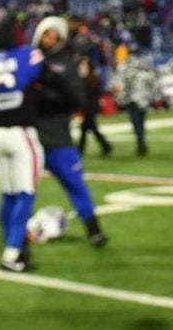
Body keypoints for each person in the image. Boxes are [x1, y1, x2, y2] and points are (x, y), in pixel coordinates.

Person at [0, 13, 47, 272]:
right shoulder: (27, 55)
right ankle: (13, 252)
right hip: (20, 133)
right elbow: (44, 78)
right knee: (25, 194)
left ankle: (12, 244)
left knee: (8, 194)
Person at [31, 15, 108, 247]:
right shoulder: (27, 60)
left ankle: (93, 229)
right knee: (22, 190)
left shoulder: (66, 64)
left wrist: (50, 89)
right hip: (29, 136)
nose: (50, 39)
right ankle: (18, 235)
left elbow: (78, 101)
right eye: (47, 34)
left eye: (55, 36)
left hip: (57, 135)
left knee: (75, 184)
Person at [111, 37, 159, 157]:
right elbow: (153, 81)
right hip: (144, 99)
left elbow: (121, 83)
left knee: (137, 123)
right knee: (141, 123)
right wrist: (154, 97)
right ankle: (142, 142)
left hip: (132, 99)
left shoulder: (126, 67)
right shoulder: (146, 64)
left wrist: (120, 98)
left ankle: (141, 143)